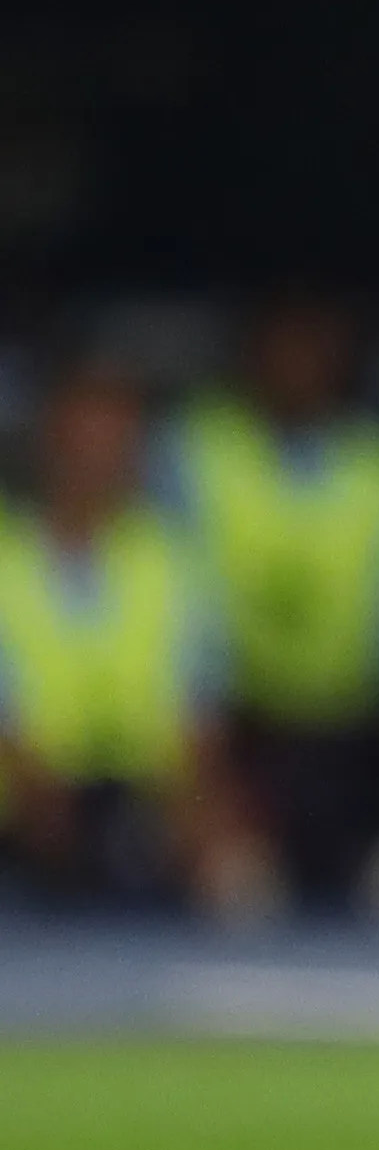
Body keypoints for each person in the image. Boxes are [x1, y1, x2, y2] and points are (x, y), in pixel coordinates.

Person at [176, 289, 379, 910]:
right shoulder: (196, 453)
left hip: (362, 735)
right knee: (237, 889)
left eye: (315, 351)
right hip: (240, 734)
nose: (299, 368)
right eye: (284, 350)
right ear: (252, 357)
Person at [0, 359, 255, 909]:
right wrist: (41, 799)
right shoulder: (5, 555)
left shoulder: (172, 560)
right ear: (49, 442)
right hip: (23, 821)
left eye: (119, 440)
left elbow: (199, 717)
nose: (101, 458)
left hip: (141, 819)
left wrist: (195, 804)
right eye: (86, 439)